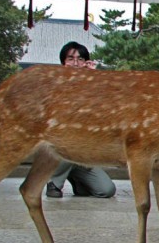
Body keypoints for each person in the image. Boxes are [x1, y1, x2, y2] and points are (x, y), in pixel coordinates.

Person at [45, 42, 116, 199]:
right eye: (71, 58)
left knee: (107, 190)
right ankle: (54, 182)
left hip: (83, 155)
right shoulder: (54, 85)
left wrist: (94, 79)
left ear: (86, 62)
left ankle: (77, 180)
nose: (76, 63)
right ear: (63, 62)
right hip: (59, 150)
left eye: (80, 59)